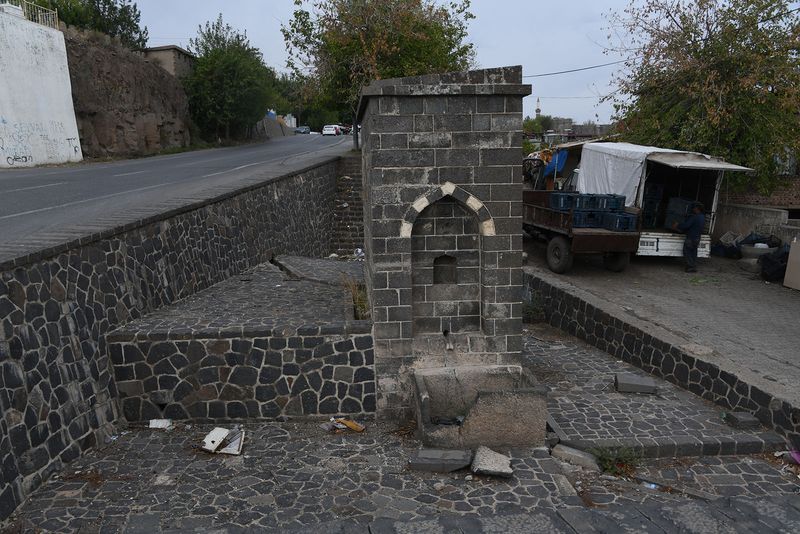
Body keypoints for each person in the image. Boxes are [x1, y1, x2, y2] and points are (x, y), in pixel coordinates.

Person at [672, 202, 705, 272]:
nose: (693, 209)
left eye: (694, 208)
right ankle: (693, 266)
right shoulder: (702, 217)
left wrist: (677, 225)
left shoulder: (694, 217)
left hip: (691, 237)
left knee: (687, 251)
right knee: (694, 252)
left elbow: (686, 225)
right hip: (697, 238)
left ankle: (690, 266)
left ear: (697, 209)